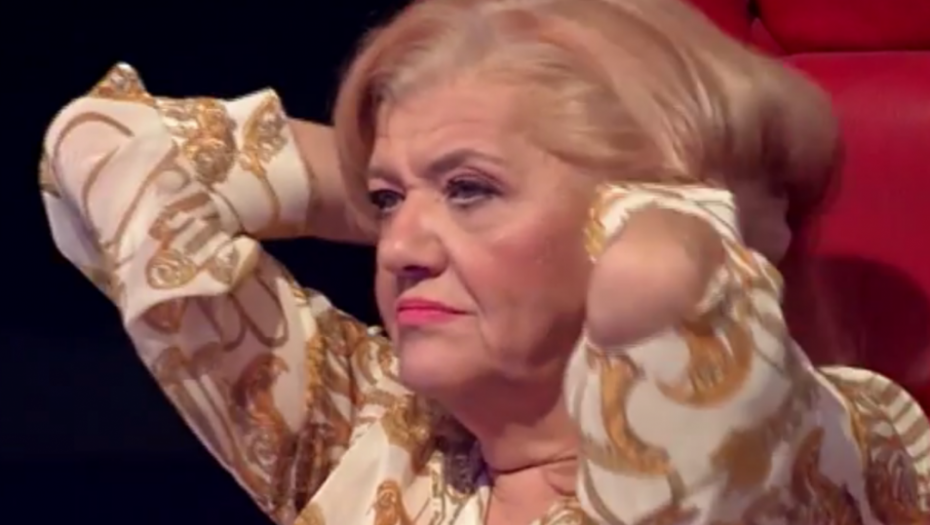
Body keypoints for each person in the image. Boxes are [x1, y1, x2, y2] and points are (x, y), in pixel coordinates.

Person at [39, 0, 930, 523]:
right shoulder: (371, 430)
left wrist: (699, 202)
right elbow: (102, 141)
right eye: (386, 201)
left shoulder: (827, 431)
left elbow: (677, 297)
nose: (399, 248)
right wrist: (384, 180)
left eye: (471, 189)